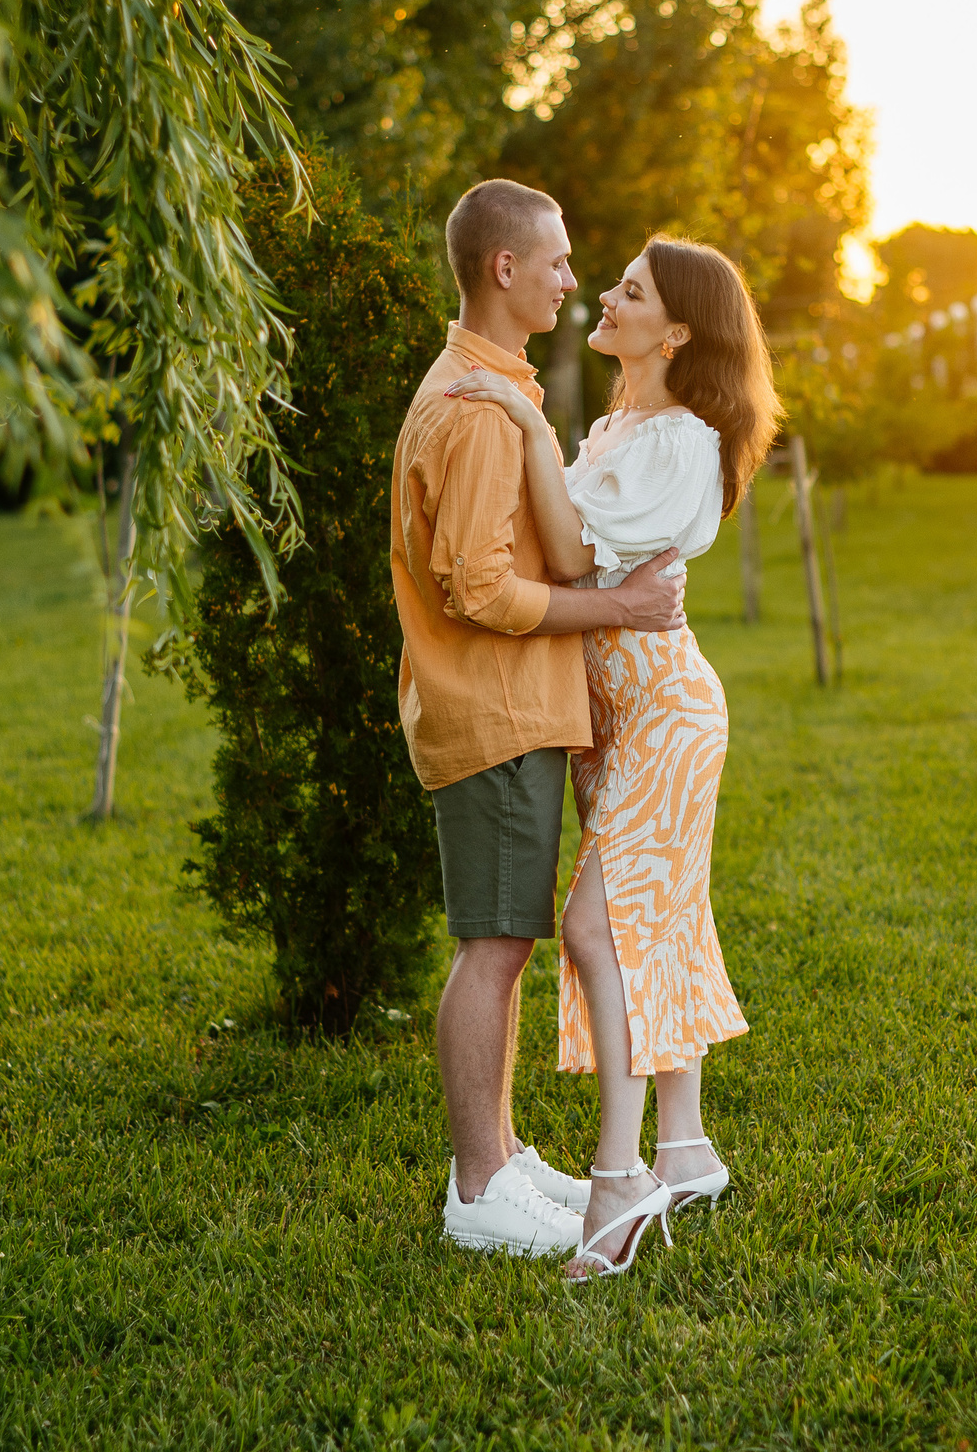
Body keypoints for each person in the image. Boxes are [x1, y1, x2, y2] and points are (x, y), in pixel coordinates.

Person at [446, 235, 779, 1279]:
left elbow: (571, 551)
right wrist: (542, 433)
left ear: (676, 332)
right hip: (614, 719)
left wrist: (521, 422)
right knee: (660, 918)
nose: (605, 295)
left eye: (631, 291)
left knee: (599, 926)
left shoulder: (681, 441)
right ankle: (686, 1150)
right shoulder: (616, 427)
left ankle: (621, 1179)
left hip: (665, 713)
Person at [389, 179, 692, 1259]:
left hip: (513, 707)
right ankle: (478, 1188)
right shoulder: (477, 409)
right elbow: (479, 587)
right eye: (557, 260)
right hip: (496, 708)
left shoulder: (496, 387)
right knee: (493, 946)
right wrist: (617, 609)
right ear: (503, 267)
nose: (573, 278)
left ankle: (504, 1157)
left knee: (505, 940)